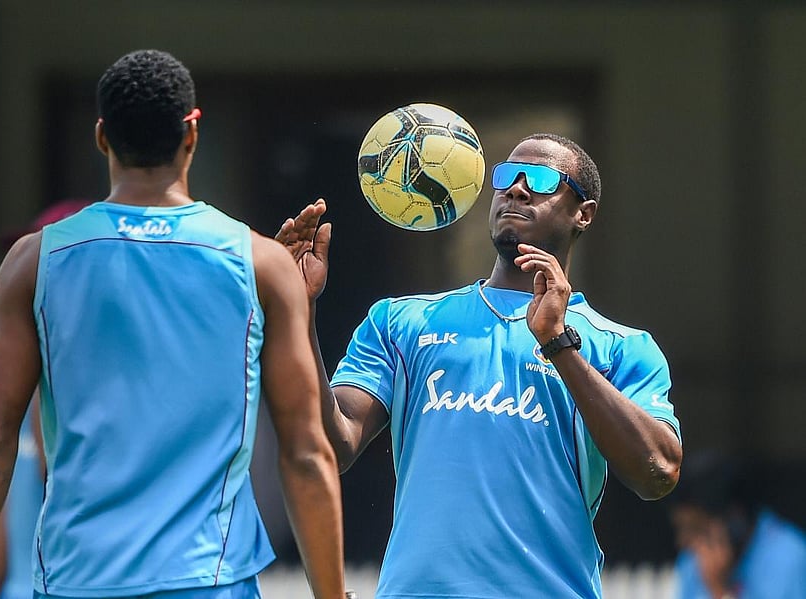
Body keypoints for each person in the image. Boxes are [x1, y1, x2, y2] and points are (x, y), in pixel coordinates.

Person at [0, 49, 346, 599]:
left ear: (102, 137)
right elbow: (306, 451)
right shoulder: (261, 263)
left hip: (75, 581)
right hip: (207, 582)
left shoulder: (36, 262)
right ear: (191, 133)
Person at [275, 133, 684, 598]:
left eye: (542, 179)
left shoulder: (621, 346)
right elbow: (335, 444)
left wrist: (558, 344)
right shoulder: (401, 321)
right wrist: (298, 312)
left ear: (582, 214)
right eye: (506, 176)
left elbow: (659, 472)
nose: (516, 189)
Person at [0, 200, 90, 599]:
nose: (14, 283)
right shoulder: (20, 407)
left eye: (35, 271)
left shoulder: (41, 399)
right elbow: (0, 552)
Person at [669, 452, 806, 599]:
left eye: (696, 528)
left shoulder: (787, 557)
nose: (683, 541)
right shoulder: (691, 563)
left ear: (734, 520)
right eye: (681, 528)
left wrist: (720, 591)